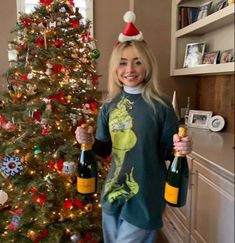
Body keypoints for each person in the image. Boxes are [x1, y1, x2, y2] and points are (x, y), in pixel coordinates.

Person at [75, 11, 192, 243]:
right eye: (123, 62)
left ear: (147, 65)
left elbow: (169, 152)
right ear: (115, 68)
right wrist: (87, 141)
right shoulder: (109, 106)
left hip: (146, 196)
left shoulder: (161, 106)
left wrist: (182, 147)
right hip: (112, 192)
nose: (130, 69)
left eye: (137, 62)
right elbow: (105, 149)